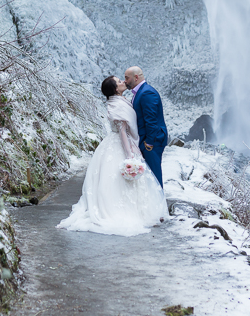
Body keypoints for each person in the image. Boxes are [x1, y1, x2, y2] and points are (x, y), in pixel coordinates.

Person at [56, 76, 167, 236]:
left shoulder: (120, 100)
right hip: (120, 144)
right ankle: (128, 211)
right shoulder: (116, 105)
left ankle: (136, 210)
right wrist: (129, 155)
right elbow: (122, 131)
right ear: (115, 89)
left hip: (123, 142)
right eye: (120, 81)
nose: (123, 82)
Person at [124, 66, 168, 189]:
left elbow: (151, 120)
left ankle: (159, 204)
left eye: (127, 78)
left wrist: (149, 142)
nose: (125, 81)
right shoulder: (140, 92)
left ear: (136, 77)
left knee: (154, 176)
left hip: (151, 142)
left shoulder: (147, 92)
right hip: (146, 140)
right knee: (150, 175)